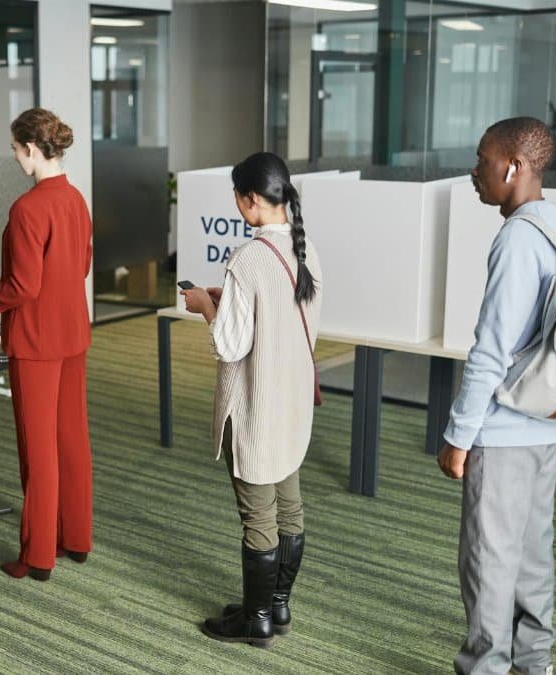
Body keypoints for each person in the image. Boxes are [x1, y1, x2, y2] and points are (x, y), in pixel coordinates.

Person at [437, 117, 556, 675]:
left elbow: (491, 350)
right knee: (530, 553)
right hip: (547, 418)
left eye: (482, 159)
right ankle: (534, 663)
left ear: (513, 166)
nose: (475, 171)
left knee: (488, 562)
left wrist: (459, 436)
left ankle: (487, 669)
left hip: (504, 430)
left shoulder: (518, 239)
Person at [181, 152, 322, 648]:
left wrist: (205, 306)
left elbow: (229, 345)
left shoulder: (247, 259)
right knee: (289, 508)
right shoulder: (305, 250)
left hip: (255, 409)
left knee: (258, 516)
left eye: (237, 197)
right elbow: (280, 320)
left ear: (251, 199)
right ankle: (276, 606)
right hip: (291, 404)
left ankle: (256, 621)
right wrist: (229, 302)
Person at [0, 108, 93, 581]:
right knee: (71, 441)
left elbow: (23, 286)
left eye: (17, 150)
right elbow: (80, 266)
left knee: (38, 450)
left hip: (36, 340)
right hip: (72, 333)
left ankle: (38, 555)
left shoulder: (28, 209)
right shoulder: (75, 200)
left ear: (33, 150)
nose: (16, 158)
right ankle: (76, 538)